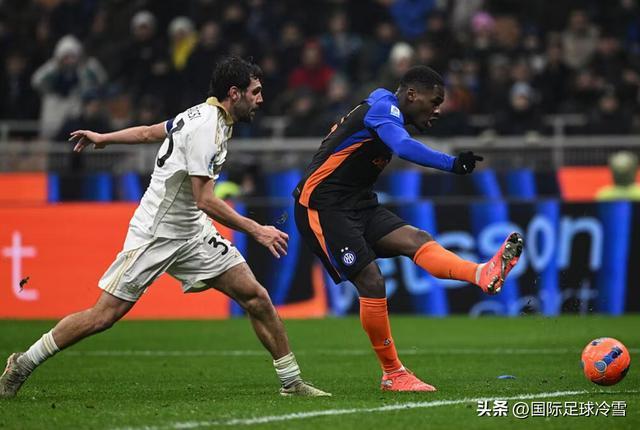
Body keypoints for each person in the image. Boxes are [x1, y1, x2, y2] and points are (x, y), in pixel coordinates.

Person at [0, 56, 329, 399]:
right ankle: (23, 362)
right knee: (103, 316)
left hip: (192, 232)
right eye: (255, 92)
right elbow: (205, 199)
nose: (261, 99)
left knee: (256, 297)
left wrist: (104, 137)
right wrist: (257, 230)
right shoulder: (206, 129)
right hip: (156, 232)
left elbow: (148, 132)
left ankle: (292, 383)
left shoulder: (201, 115)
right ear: (234, 93)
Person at [292, 65, 524, 392]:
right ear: (412, 95)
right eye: (435, 101)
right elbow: (402, 146)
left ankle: (481, 274)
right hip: (322, 206)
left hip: (357, 203)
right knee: (371, 280)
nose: (438, 109)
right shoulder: (383, 111)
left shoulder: (383, 105)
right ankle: (393, 373)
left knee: (417, 239)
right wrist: (452, 163)